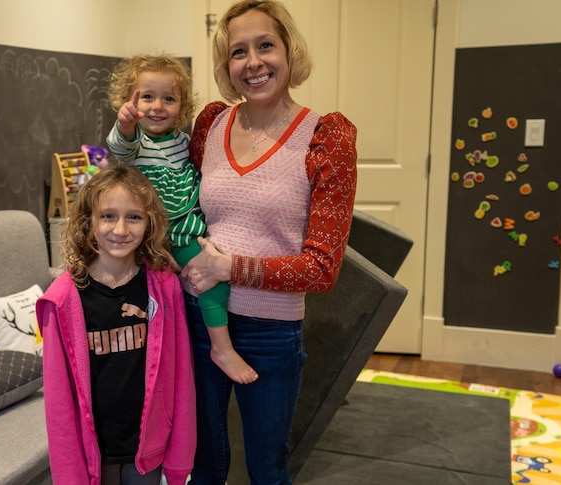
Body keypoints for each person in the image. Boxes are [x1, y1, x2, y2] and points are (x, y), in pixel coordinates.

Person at [179, 1, 358, 483]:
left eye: (265, 46)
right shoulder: (211, 124)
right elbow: (179, 201)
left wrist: (229, 267)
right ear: (227, 66)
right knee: (202, 463)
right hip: (198, 316)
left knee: (268, 467)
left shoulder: (326, 138)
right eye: (238, 51)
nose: (253, 62)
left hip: (271, 331)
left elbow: (322, 268)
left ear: (289, 50)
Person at [36, 165, 196, 485]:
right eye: (108, 216)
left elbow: (181, 374)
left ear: (149, 222)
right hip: (94, 457)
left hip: (146, 453)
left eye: (133, 217)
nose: (120, 229)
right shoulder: (63, 301)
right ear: (88, 221)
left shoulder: (165, 288)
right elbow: (58, 403)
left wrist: (180, 458)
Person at [107, 54, 258, 384]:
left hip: (184, 236)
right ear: (128, 101)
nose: (157, 106)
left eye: (169, 98)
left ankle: (221, 348)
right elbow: (120, 144)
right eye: (146, 97)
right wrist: (127, 122)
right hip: (153, 239)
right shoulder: (137, 144)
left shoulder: (181, 143)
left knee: (213, 285)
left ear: (182, 106)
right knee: (154, 301)